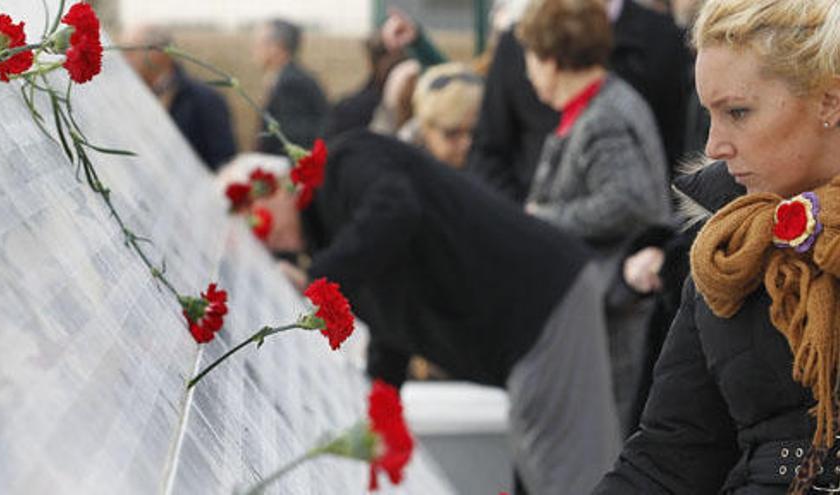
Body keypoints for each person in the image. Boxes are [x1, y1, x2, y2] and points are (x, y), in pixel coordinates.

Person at [263, 130, 621, 494]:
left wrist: (316, 277)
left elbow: (396, 208)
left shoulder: (344, 164)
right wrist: (378, 411)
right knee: (545, 473)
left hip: (544, 305)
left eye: (254, 213)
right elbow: (393, 325)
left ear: (276, 187)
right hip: (528, 324)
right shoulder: (338, 240)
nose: (262, 236)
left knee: (571, 479)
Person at [592, 0, 840, 493]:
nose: (713, 146)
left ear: (830, 101)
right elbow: (670, 458)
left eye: (737, 112)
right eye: (710, 114)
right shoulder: (726, 254)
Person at [518, 0, 672, 437]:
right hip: (609, 309)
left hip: (618, 315)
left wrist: (543, 217)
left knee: (606, 443)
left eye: (529, 57)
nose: (527, 70)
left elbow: (630, 201)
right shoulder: (601, 104)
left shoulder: (604, 117)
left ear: (551, 59)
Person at [468, 0, 687, 202]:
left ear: (551, 63)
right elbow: (487, 151)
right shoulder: (517, 40)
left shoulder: (607, 113)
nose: (530, 75)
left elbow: (627, 201)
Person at [122, 26, 237, 171]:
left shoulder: (206, 100)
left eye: (130, 51)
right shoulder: (128, 100)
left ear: (158, 52)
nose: (124, 60)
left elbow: (224, 164)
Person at [252, 19, 328, 154]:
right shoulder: (287, 77)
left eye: (260, 43)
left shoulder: (291, 83)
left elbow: (290, 139)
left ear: (277, 47)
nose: (255, 48)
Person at [402, 62, 484, 169]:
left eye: (475, 132)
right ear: (425, 130)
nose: (466, 144)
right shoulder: (401, 173)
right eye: (452, 133)